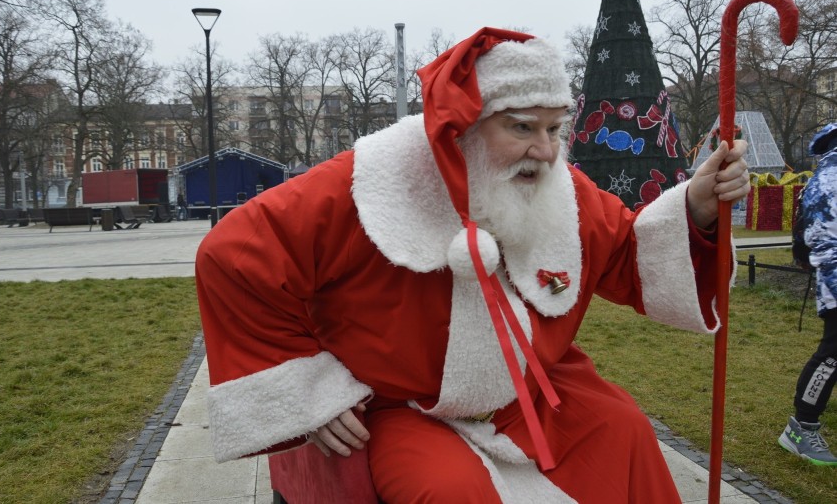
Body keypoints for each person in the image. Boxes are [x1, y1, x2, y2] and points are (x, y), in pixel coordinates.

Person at [195, 28, 751, 503]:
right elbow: (236, 255)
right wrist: (308, 393)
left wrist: (697, 209)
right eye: (521, 127)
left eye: (555, 129)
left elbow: (625, 254)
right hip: (405, 409)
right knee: (451, 491)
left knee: (623, 428)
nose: (546, 150)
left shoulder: (561, 187)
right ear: (467, 124)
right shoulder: (369, 178)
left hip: (536, 395)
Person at [778, 122, 837, 466]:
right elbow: (819, 231)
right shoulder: (830, 178)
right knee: (833, 350)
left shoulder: (824, 173)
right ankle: (801, 427)